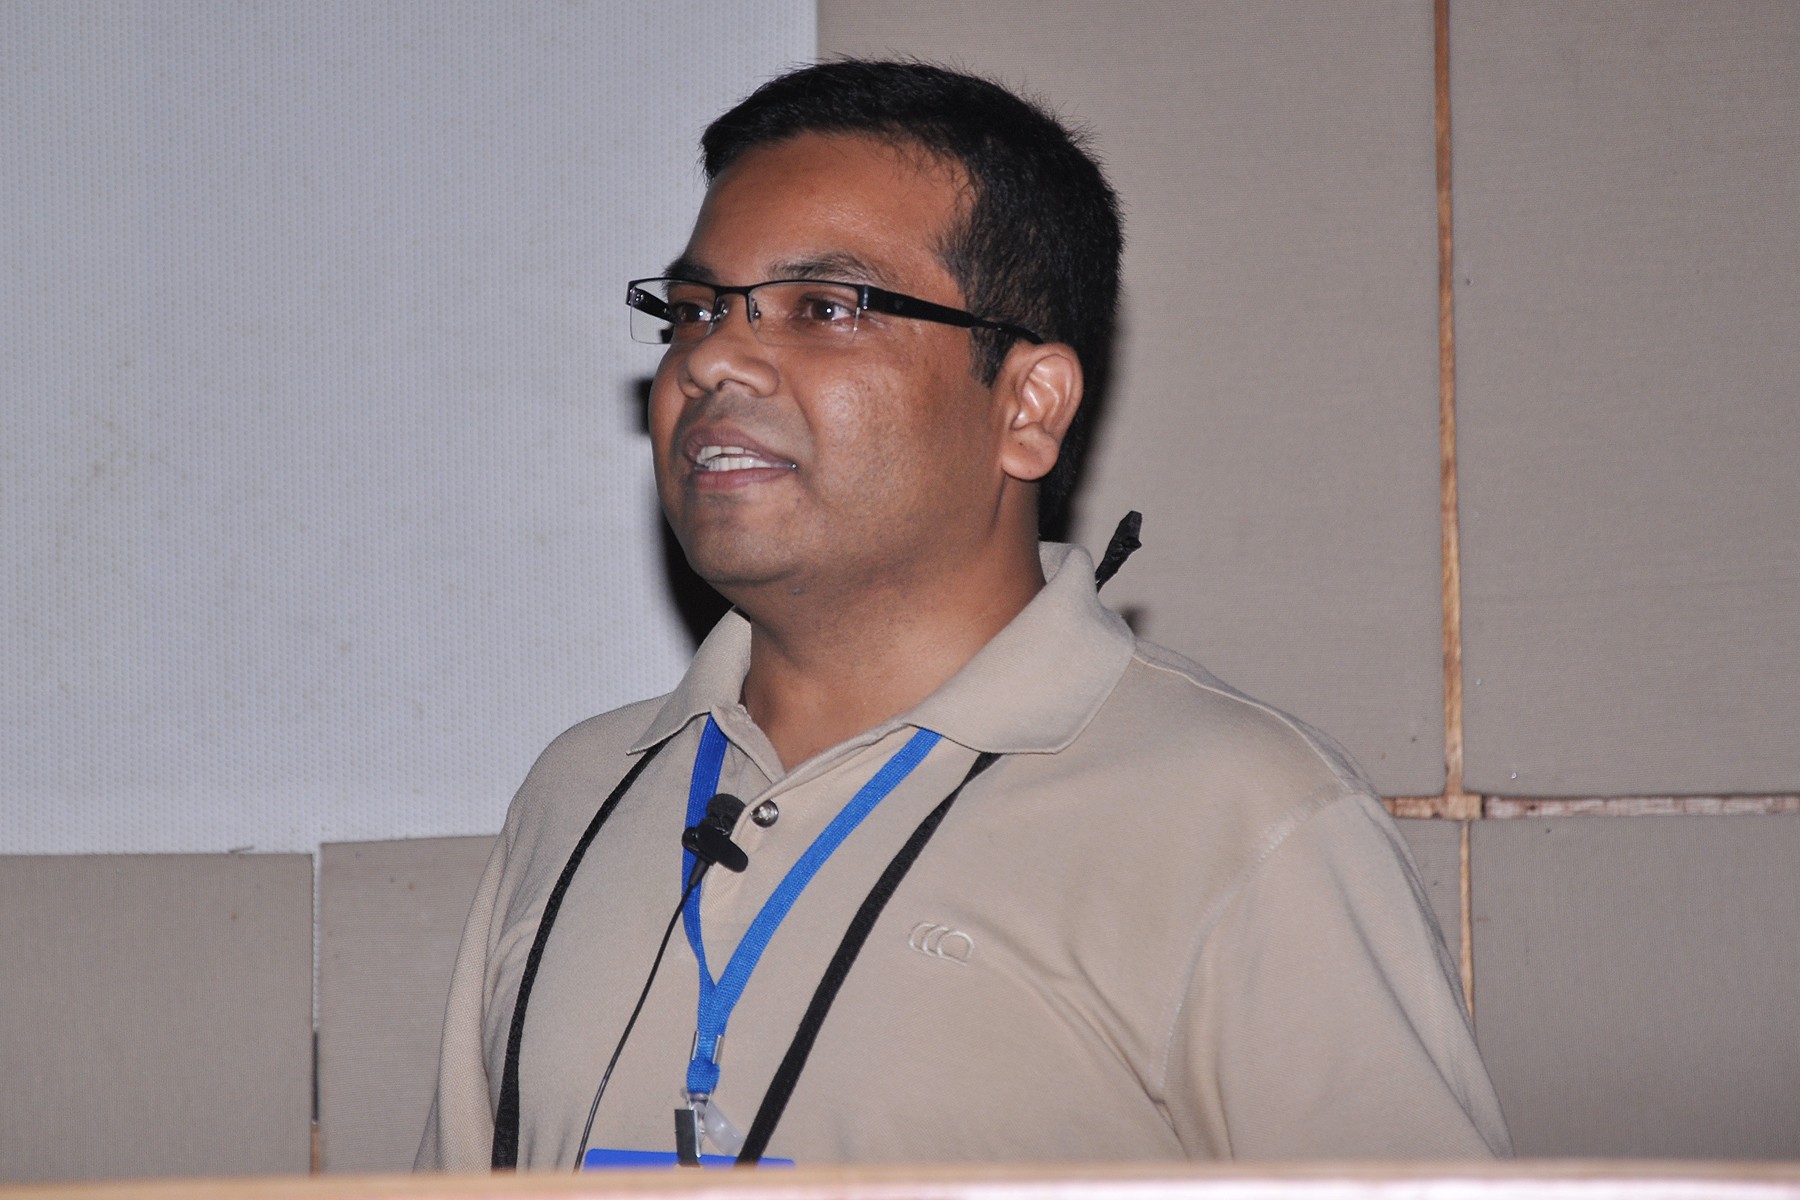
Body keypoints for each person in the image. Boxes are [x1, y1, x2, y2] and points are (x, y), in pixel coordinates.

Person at [417, 59, 1511, 1171]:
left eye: (824, 308)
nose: (714, 361)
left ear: (1028, 407)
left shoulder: (1241, 816)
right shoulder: (581, 792)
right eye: (696, 311)